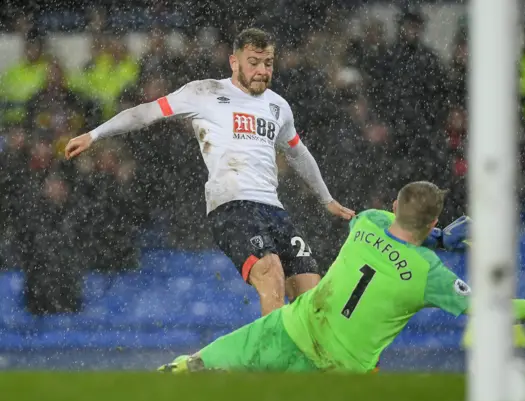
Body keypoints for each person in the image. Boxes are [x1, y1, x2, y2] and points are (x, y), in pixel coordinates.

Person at [158, 181, 525, 374]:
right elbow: (494, 310)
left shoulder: (368, 222)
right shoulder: (430, 277)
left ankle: (170, 375)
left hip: (292, 329)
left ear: (394, 206)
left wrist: (441, 237)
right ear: (432, 220)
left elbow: (406, 230)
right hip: (341, 370)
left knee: (200, 365)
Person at [64, 28, 355, 316]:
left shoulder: (279, 106)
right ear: (234, 62)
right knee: (271, 275)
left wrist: (326, 198)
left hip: (274, 211)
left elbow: (297, 152)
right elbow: (145, 112)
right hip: (233, 208)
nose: (262, 70)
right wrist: (94, 134)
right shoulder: (204, 92)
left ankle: (319, 360)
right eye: (254, 62)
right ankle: (273, 360)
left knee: (312, 295)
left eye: (268, 63)